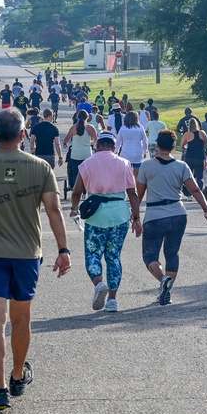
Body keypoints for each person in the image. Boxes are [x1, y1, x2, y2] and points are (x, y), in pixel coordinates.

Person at [0, 108, 71, 412]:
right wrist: (63, 249)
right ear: (23, 135)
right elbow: (54, 210)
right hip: (26, 256)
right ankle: (18, 376)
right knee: (21, 319)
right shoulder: (41, 168)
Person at [136, 129, 207, 306]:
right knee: (172, 253)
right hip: (178, 213)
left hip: (155, 215)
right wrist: (206, 208)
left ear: (157, 145)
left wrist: (135, 217)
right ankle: (167, 291)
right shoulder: (181, 166)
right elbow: (194, 190)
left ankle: (163, 280)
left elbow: (138, 194)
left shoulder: (146, 166)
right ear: (173, 146)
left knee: (150, 256)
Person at [69, 132, 142, 312]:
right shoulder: (124, 163)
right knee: (113, 257)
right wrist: (137, 217)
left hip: (96, 214)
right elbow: (132, 193)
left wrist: (74, 208)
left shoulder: (87, 163)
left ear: (98, 145)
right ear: (113, 146)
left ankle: (98, 283)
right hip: (120, 214)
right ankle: (112, 300)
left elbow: (77, 191)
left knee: (93, 254)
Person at [63, 109, 98, 190]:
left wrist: (65, 143)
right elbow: (95, 140)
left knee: (75, 173)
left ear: (77, 117)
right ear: (87, 117)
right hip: (87, 154)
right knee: (87, 172)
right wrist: (89, 143)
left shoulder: (73, 128)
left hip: (75, 154)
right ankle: (87, 187)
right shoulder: (90, 128)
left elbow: (67, 139)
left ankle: (76, 188)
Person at [179, 117, 207, 196]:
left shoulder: (187, 134)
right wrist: (202, 148)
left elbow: (181, 145)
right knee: (200, 176)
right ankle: (200, 191)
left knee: (189, 176)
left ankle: (189, 193)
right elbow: (206, 144)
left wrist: (185, 148)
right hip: (200, 157)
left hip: (189, 157)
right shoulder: (202, 133)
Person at [115, 110, 148, 176]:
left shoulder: (123, 128)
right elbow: (145, 141)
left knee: (126, 174)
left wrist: (116, 151)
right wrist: (145, 151)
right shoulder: (140, 128)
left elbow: (118, 141)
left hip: (126, 153)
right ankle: (135, 185)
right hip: (137, 153)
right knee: (137, 175)